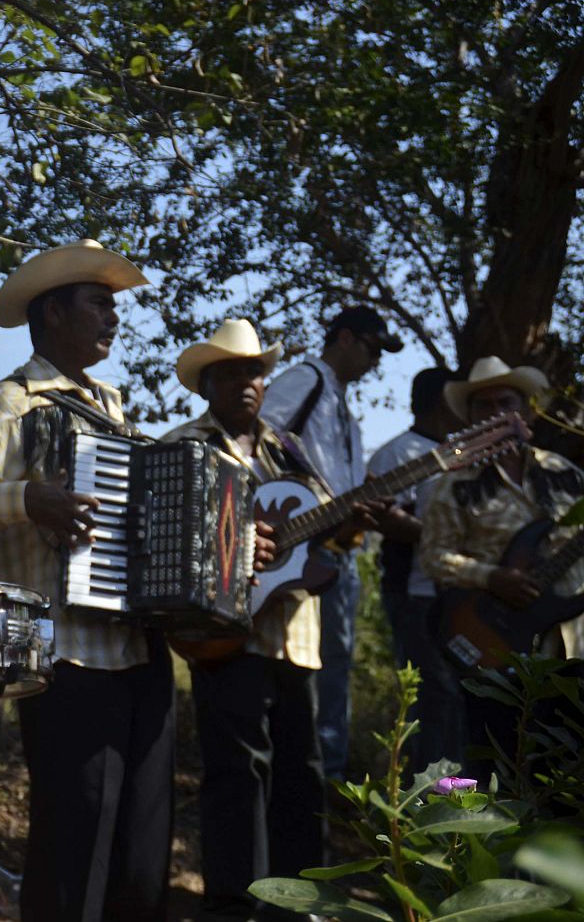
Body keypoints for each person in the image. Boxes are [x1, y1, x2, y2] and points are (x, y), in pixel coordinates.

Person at [0, 239, 172, 922]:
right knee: (72, 850)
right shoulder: (12, 401)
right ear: (54, 314)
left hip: (142, 654)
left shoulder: (116, 409)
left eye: (114, 306)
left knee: (142, 856)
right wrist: (27, 500)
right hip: (66, 659)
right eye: (99, 304)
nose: (113, 318)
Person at [164, 320, 331, 921]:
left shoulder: (289, 448)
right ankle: (235, 904)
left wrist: (355, 518)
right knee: (238, 772)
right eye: (230, 371)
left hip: (294, 635)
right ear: (207, 384)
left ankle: (301, 903)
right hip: (222, 632)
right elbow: (165, 537)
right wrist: (230, 543)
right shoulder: (183, 444)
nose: (245, 381)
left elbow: (318, 523)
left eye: (253, 371)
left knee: (302, 774)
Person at [418, 356, 582, 782]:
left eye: (504, 402)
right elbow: (434, 559)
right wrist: (492, 577)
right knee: (500, 767)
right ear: (469, 418)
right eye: (483, 406)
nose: (494, 414)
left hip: (572, 644)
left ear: (526, 410)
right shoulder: (452, 484)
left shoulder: (565, 474)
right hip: (495, 646)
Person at [261, 304, 402, 780]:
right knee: (307, 672)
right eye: (372, 347)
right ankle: (307, 780)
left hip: (340, 553)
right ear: (343, 337)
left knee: (333, 665)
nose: (376, 361)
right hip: (304, 550)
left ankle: (327, 781)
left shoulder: (342, 406)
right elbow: (261, 442)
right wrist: (316, 508)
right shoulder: (306, 381)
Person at [365, 366, 465, 769]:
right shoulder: (398, 454)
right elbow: (385, 520)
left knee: (456, 694)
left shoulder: (460, 452)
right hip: (413, 596)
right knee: (433, 694)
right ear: (444, 400)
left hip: (458, 598)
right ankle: (426, 797)